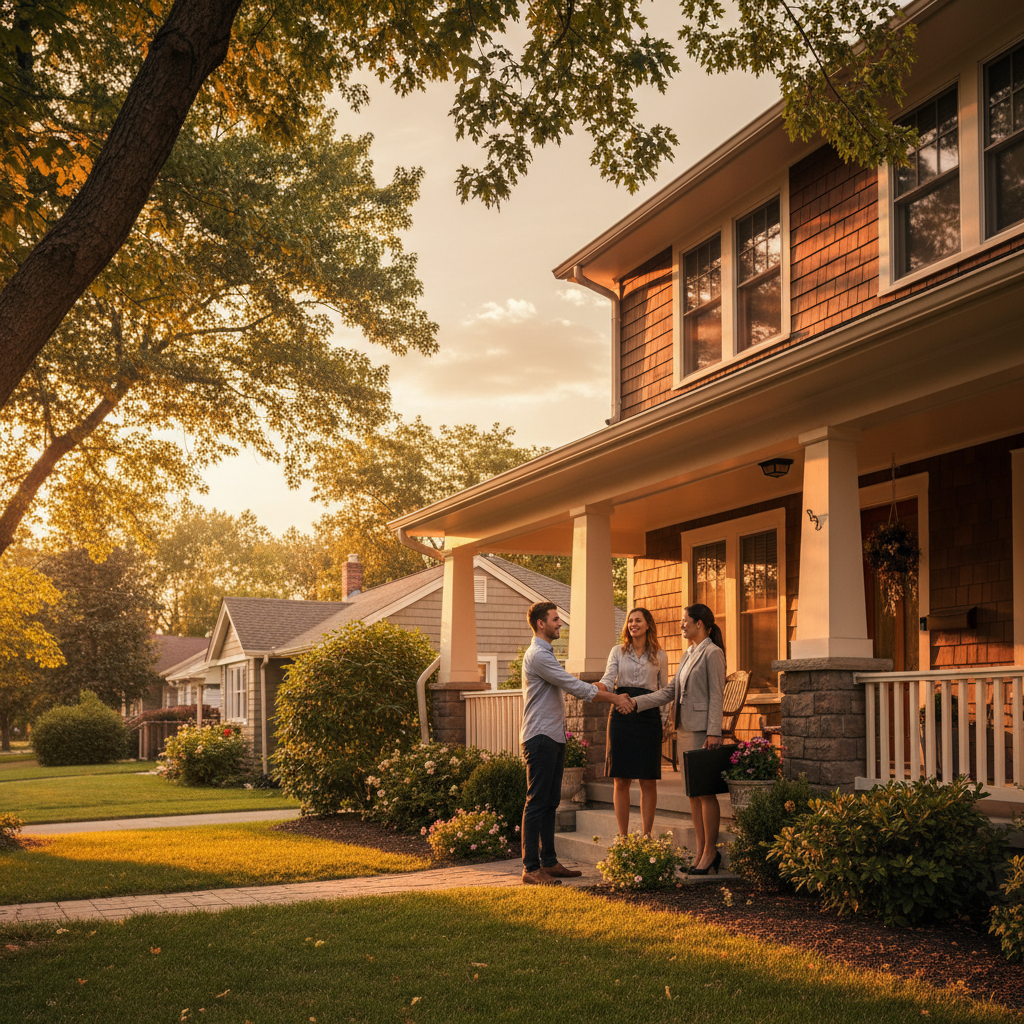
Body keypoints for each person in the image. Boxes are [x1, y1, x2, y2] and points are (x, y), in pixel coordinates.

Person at [520, 601, 633, 885]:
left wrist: (599, 690)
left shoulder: (546, 654)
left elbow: (572, 685)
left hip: (553, 736)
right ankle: (531, 868)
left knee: (550, 802)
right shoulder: (538, 656)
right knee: (537, 802)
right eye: (555, 619)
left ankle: (549, 862)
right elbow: (576, 687)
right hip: (540, 737)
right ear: (541, 623)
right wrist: (615, 697)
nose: (560, 623)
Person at [622, 603, 726, 874]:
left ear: (699, 624)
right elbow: (670, 691)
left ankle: (710, 852)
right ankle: (701, 852)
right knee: (693, 793)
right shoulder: (689, 653)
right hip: (685, 729)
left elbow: (717, 694)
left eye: (685, 621)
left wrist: (715, 731)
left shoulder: (712, 653)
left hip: (703, 731)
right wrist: (637, 702)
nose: (682, 625)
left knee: (704, 792)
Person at [600, 607, 668, 837]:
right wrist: (599, 689)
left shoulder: (660, 655)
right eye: (630, 621)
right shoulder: (617, 651)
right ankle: (624, 837)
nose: (633, 624)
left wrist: (666, 721)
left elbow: (665, 691)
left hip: (648, 717)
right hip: (621, 712)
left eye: (638, 620)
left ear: (648, 624)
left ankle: (646, 835)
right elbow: (609, 680)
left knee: (648, 779)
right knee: (621, 778)